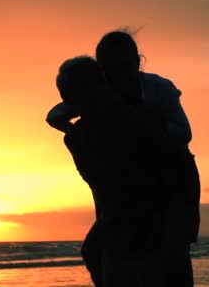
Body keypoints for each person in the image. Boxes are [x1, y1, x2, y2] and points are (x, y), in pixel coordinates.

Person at [47, 31, 200, 286]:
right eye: (108, 69)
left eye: (124, 66)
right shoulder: (95, 99)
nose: (117, 74)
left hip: (171, 185)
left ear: (137, 63)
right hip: (126, 202)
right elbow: (58, 113)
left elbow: (182, 136)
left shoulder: (156, 89)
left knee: (168, 258)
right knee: (100, 253)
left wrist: (137, 120)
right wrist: (73, 128)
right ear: (101, 71)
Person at [55, 56, 172, 286]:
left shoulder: (128, 115)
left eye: (94, 84)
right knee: (95, 254)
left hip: (139, 216)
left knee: (104, 257)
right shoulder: (81, 132)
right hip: (119, 216)